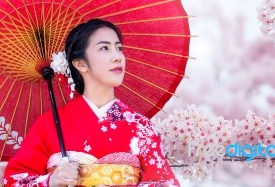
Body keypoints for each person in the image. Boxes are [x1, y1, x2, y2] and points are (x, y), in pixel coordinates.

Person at [4, 19, 180, 187]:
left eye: (119, 48)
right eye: (105, 48)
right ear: (80, 63)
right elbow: (13, 180)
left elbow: (164, 182)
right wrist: (51, 181)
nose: (118, 56)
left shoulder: (141, 127)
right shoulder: (48, 125)